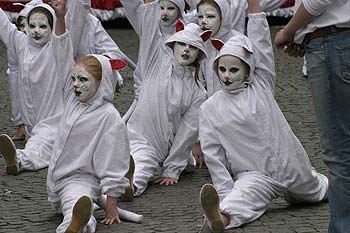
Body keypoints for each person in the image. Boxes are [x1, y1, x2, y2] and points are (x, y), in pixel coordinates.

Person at [198, 1, 328, 232]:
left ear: (248, 69)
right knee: (241, 197)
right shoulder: (210, 107)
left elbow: (261, 44)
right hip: (254, 174)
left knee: (318, 190)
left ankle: (339, 185)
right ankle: (221, 217)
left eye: (234, 70)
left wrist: (254, 6)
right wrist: (225, 191)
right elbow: (213, 154)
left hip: (292, 165)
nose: (226, 77)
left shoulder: (261, 85)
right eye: (222, 70)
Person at [41, 1, 134, 232]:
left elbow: (115, 160)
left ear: (101, 83)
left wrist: (111, 205)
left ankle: (75, 226)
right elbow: (62, 54)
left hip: (81, 181)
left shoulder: (109, 117)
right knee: (72, 202)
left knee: (77, 208)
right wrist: (60, 18)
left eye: (83, 80)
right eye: (74, 79)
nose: (75, 85)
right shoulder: (71, 98)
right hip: (56, 181)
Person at [274, 1, 350, 232]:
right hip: (332, 40)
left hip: (334, 42)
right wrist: (305, 36)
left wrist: (289, 31)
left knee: (340, 152)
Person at [123, 0, 209, 196]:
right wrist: (150, 4)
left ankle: (128, 186)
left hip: (166, 147)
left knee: (150, 162)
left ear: (199, 55)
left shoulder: (198, 92)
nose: (186, 50)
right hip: (140, 136)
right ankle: (122, 188)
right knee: (139, 161)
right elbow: (150, 33)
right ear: (172, 45)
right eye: (182, 44)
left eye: (192, 47)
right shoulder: (156, 61)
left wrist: (172, 168)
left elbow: (188, 132)